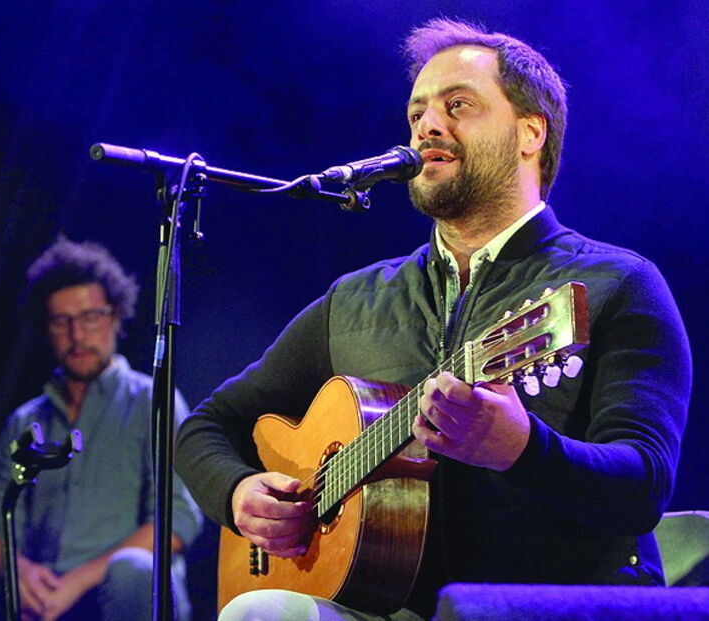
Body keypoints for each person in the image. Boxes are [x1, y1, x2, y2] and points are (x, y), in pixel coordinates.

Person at [175, 18, 691, 621]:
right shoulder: (357, 298)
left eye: (458, 105)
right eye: (417, 112)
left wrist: (523, 449)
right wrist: (238, 492)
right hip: (388, 608)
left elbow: (644, 486)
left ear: (530, 132)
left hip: (549, 606)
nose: (427, 126)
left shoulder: (616, 284)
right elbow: (205, 427)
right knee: (259, 610)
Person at [0, 237, 202, 621]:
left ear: (116, 316)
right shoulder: (24, 421)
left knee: (134, 570)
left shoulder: (152, 400)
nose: (77, 335)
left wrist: (76, 582)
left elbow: (179, 519)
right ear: (45, 327)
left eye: (90, 317)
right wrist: (20, 574)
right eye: (61, 321)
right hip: (39, 594)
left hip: (114, 592)